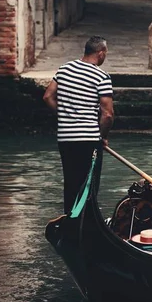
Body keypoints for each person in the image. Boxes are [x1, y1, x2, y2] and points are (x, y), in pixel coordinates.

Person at [43, 35, 114, 214]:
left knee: (71, 183)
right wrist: (103, 137)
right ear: (100, 53)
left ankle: (71, 221)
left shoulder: (64, 69)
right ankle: (86, 224)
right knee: (89, 186)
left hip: (65, 138)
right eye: (105, 53)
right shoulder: (101, 76)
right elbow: (107, 114)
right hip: (89, 140)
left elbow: (47, 96)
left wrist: (63, 116)